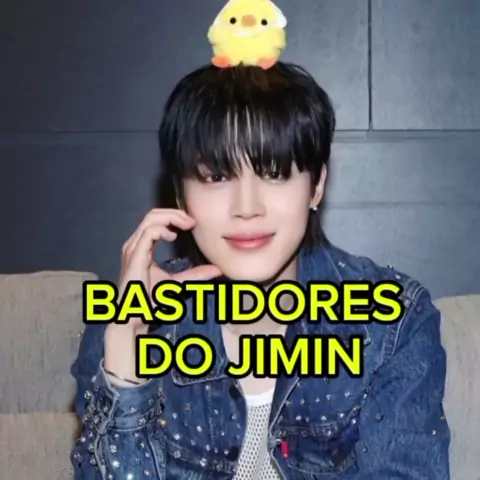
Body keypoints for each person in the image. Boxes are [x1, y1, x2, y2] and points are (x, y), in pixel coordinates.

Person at [71, 62, 450, 479]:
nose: (247, 208)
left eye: (274, 172)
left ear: (316, 186)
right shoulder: (124, 319)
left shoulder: (392, 324)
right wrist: (125, 368)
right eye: (217, 176)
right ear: (180, 195)